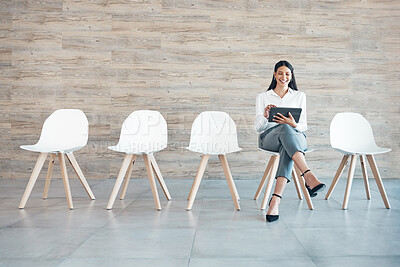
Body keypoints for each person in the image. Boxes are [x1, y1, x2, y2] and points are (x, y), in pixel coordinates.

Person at [255, 60, 325, 222]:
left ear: (291, 76)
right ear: (274, 74)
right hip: (269, 137)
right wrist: (265, 117)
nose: (283, 77)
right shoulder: (263, 97)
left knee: (287, 138)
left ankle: (275, 201)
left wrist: (294, 124)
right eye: (280, 73)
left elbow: (304, 125)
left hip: (296, 136)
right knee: (285, 131)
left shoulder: (299, 96)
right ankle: (308, 174)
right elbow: (258, 128)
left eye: (287, 74)